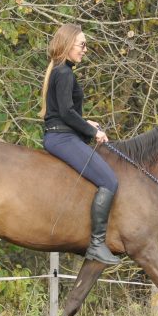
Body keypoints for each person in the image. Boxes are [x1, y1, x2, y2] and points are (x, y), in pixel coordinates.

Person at [40, 23, 120, 264]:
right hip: (61, 137)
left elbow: (65, 111)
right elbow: (65, 112)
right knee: (109, 180)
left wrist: (86, 123)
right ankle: (96, 243)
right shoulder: (64, 72)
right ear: (68, 44)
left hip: (63, 134)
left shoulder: (60, 70)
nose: (85, 50)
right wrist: (92, 132)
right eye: (82, 45)